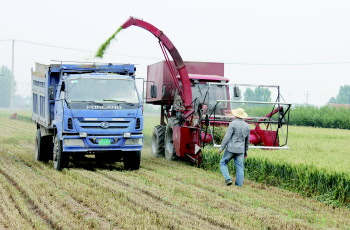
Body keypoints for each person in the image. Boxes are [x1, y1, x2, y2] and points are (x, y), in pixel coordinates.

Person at [218, 108, 250, 186]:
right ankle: (239, 185)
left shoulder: (233, 123)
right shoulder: (247, 126)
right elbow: (247, 141)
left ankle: (228, 179)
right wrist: (245, 152)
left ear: (236, 115)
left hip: (231, 149)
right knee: (240, 167)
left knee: (223, 163)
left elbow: (227, 137)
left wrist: (221, 148)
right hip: (240, 150)